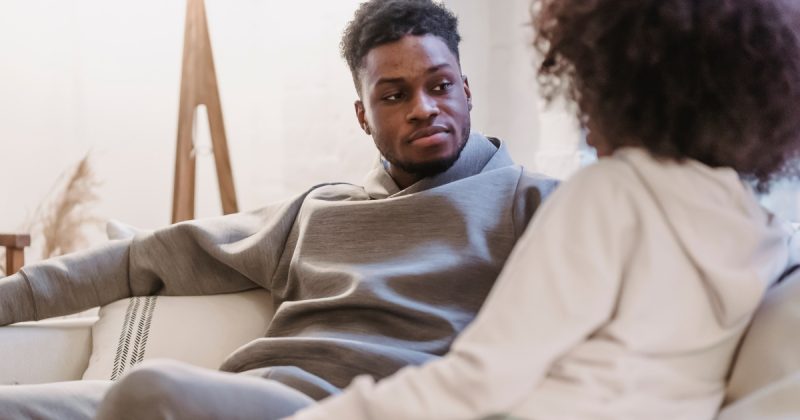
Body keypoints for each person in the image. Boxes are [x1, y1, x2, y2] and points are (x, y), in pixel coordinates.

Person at [0, 0, 557, 419]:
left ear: (465, 88)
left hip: (365, 410)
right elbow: (141, 260)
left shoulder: (532, 204)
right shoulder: (318, 210)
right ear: (363, 115)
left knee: (150, 393)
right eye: (394, 96)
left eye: (439, 86)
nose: (424, 109)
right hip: (255, 396)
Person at [286, 0, 800, 419]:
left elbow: (479, 381)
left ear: (624, 86)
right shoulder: (761, 232)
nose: (580, 106)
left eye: (585, 83)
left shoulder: (612, 194)